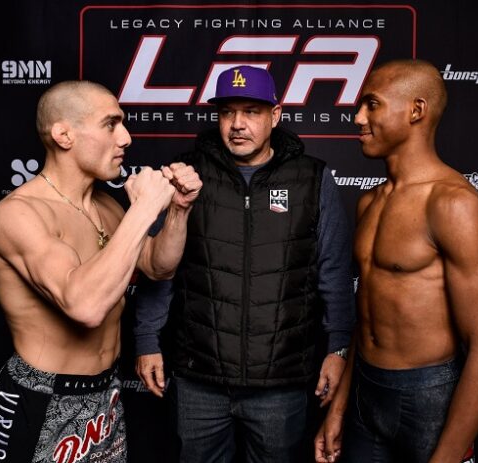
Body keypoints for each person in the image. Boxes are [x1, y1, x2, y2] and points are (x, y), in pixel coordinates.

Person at [133, 65, 355, 462]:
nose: (237, 124)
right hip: (199, 379)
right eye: (227, 112)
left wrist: (338, 347)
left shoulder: (312, 178)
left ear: (275, 115)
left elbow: (334, 273)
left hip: (280, 383)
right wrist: (147, 339)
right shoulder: (186, 174)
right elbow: (159, 267)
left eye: (251, 111)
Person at [0, 80, 202, 462]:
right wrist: (144, 208)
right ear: (63, 135)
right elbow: (85, 306)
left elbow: (157, 267)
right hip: (42, 398)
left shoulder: (107, 207)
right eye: (110, 124)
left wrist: (177, 211)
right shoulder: (18, 214)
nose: (126, 138)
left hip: (104, 395)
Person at [314, 59, 478, 463]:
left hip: (428, 396)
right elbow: (368, 315)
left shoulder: (452, 204)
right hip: (366, 390)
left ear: (416, 110)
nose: (358, 118)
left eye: (372, 105)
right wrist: (339, 408)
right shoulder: (370, 202)